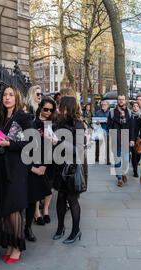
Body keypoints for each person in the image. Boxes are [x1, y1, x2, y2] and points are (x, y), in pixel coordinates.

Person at [0, 86, 34, 264]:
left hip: (16, 168)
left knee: (14, 207)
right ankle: (9, 243)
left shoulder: (22, 117)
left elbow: (32, 141)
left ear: (16, 98)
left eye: (10, 95)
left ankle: (17, 247)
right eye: (4, 95)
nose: (7, 98)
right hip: (1, 168)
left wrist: (10, 144)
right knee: (4, 208)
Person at [51, 96, 87, 243]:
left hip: (73, 166)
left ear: (69, 108)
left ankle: (76, 230)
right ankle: (60, 228)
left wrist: (59, 141)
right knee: (60, 198)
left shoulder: (79, 124)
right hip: (60, 165)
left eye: (62, 106)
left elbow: (78, 149)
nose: (59, 109)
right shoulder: (59, 122)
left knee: (72, 199)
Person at [24, 97, 56, 241]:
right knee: (36, 189)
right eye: (46, 109)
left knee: (49, 186)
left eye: (51, 110)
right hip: (36, 157)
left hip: (50, 158)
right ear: (40, 108)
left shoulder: (53, 124)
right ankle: (36, 213)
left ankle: (45, 210)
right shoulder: (33, 122)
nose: (48, 112)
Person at [107, 94, 134, 186]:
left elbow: (131, 127)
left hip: (126, 139)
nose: (121, 101)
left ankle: (123, 173)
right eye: (119, 99)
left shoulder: (129, 112)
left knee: (126, 160)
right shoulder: (112, 112)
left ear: (125, 101)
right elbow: (109, 126)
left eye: (122, 99)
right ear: (117, 101)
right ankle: (119, 178)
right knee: (117, 159)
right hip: (116, 139)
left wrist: (132, 139)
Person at [130, 101, 141, 177]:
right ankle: (135, 171)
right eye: (134, 106)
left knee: (139, 155)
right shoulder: (130, 115)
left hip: (139, 138)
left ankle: (135, 163)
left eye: (136, 106)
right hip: (131, 137)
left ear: (139, 107)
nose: (135, 107)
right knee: (134, 154)